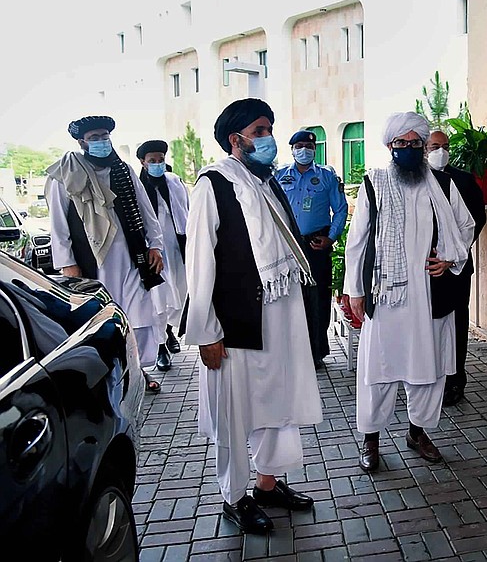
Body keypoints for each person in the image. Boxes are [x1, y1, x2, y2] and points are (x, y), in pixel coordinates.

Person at [183, 98, 323, 534]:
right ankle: (234, 496)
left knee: (277, 402)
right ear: (236, 139)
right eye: (260, 130)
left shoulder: (265, 182)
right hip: (237, 321)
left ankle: (267, 483)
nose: (268, 138)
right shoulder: (215, 184)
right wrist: (206, 330)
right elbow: (200, 261)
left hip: (279, 314)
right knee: (235, 410)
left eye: (269, 129)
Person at [344, 112, 475, 472]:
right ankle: (371, 440)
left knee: (428, 369)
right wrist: (354, 290)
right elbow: (357, 241)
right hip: (386, 297)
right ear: (390, 147)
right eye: (401, 144)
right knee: (379, 369)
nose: (408, 149)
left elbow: (465, 225)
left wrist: (448, 259)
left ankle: (417, 432)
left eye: (415, 143)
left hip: (431, 296)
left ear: (422, 146)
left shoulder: (443, 184)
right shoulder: (374, 182)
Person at [45, 115, 166, 394]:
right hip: (93, 263)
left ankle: (139, 369)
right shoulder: (64, 175)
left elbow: (146, 212)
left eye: (104, 136)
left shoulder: (122, 169)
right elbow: (58, 226)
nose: (102, 142)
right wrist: (68, 265)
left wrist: (155, 245)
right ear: (81, 143)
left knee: (139, 315)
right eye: (95, 138)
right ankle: (113, 375)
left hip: (133, 258)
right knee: (103, 321)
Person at [275, 130, 348, 368]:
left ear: (315, 149)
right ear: (292, 149)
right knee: (290, 296)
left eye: (308, 145)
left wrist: (331, 237)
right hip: (288, 243)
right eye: (299, 146)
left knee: (318, 298)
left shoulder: (327, 176)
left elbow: (340, 209)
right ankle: (294, 350)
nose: (303, 150)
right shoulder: (279, 176)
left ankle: (316, 350)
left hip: (317, 243)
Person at [426, 130, 486, 406]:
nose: (441, 151)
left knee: (457, 324)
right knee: (428, 325)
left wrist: (453, 255)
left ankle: (455, 380)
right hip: (426, 268)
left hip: (457, 268)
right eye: (435, 146)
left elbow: (476, 220)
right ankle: (427, 378)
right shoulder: (417, 181)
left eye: (445, 146)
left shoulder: (463, 180)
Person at [137, 139, 189, 372]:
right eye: (152, 161)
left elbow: (186, 209)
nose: (157, 164)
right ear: (142, 162)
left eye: (161, 160)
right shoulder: (137, 186)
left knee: (177, 293)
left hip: (177, 247)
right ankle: (160, 348)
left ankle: (169, 333)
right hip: (153, 252)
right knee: (158, 299)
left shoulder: (174, 182)